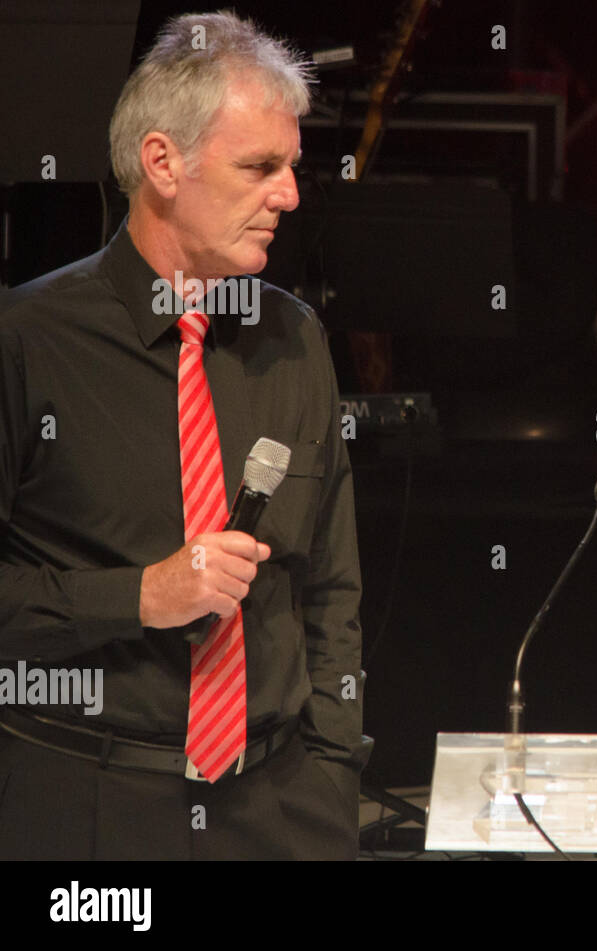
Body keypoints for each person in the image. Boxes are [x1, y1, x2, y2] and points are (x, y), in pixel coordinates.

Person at [0, 11, 368, 859]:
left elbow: (332, 589)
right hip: (86, 809)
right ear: (162, 162)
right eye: (259, 167)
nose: (290, 194)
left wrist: (329, 776)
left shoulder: (295, 340)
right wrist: (139, 596)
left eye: (292, 167)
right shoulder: (29, 343)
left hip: (278, 810)